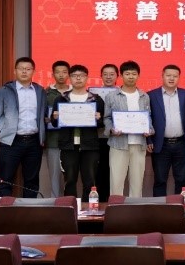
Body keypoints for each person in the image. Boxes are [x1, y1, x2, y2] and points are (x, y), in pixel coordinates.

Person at [0, 57, 47, 198]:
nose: (24, 72)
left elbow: (43, 113)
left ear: (33, 72)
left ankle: (29, 210)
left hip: (34, 142)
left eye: (28, 69)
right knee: (5, 179)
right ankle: (4, 209)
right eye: (21, 69)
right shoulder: (4, 90)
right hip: (11, 142)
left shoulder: (40, 91)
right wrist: (6, 128)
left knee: (32, 181)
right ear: (15, 71)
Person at [50, 64, 105, 202]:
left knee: (90, 181)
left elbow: (103, 123)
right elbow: (55, 123)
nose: (78, 78)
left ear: (87, 78)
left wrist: (99, 119)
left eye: (81, 76)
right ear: (70, 78)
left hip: (90, 146)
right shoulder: (61, 99)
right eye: (74, 76)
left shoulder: (96, 99)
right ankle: (70, 208)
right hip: (68, 146)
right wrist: (55, 117)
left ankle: (88, 210)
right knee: (69, 181)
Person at [103, 61, 153, 197]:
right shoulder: (111, 96)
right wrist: (111, 129)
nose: (131, 77)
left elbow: (148, 117)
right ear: (121, 76)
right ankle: (115, 209)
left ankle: (135, 209)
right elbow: (107, 118)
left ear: (138, 76)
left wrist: (149, 129)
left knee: (137, 183)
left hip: (139, 144)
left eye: (134, 74)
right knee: (116, 183)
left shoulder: (144, 96)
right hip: (118, 144)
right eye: (127, 74)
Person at [148, 64, 185, 196]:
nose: (171, 78)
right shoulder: (151, 95)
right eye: (168, 75)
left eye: (175, 76)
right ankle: (160, 207)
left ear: (179, 78)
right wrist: (149, 140)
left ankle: (181, 206)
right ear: (162, 76)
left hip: (182, 144)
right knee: (160, 180)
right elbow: (147, 119)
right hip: (160, 144)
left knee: (182, 180)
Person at [45, 60, 71, 198]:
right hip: (53, 140)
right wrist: (47, 119)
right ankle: (55, 203)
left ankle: (70, 203)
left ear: (69, 74)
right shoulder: (46, 93)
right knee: (54, 176)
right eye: (58, 72)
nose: (61, 75)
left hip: (72, 141)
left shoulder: (76, 92)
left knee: (71, 177)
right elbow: (41, 114)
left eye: (64, 72)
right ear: (53, 74)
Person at [95, 63, 119, 201]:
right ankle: (102, 203)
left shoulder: (122, 93)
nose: (108, 77)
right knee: (100, 172)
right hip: (98, 138)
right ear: (101, 76)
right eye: (105, 74)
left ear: (117, 76)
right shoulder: (92, 94)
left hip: (117, 139)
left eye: (112, 74)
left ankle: (114, 202)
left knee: (115, 172)